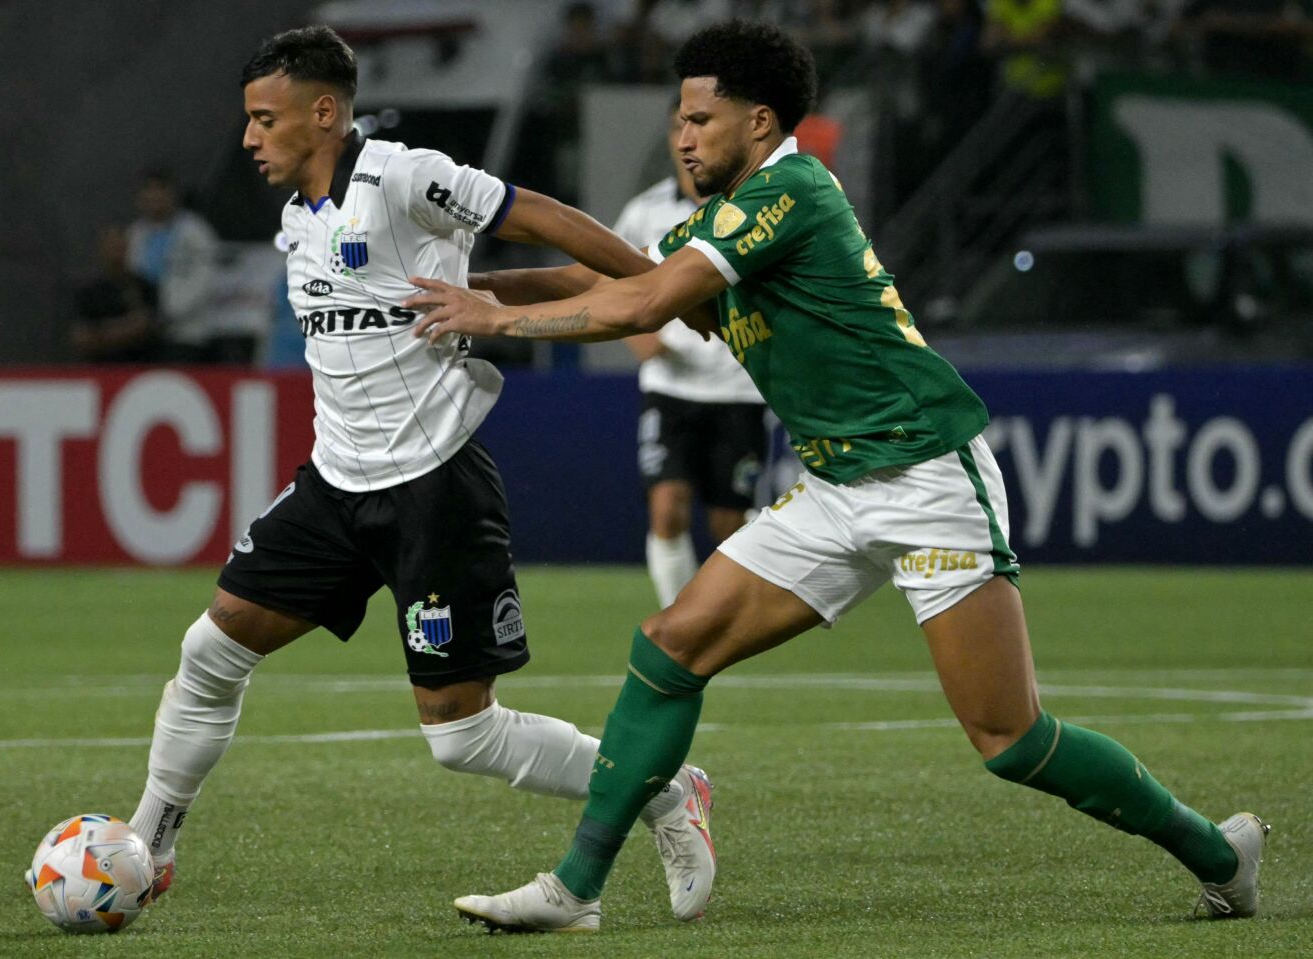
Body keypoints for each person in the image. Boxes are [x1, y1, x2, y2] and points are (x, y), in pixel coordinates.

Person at [405, 18, 1269, 932]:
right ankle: (577, 886)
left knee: (1008, 738)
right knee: (669, 649)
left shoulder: (791, 191)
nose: (684, 134)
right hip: (837, 487)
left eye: (703, 117)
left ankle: (1219, 852)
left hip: (929, 476)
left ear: (763, 122)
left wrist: (492, 320)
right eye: (679, 118)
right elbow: (629, 274)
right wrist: (484, 288)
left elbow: (645, 302)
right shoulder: (721, 222)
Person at [124, 25, 717, 924]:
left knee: (461, 735)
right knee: (211, 650)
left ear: (323, 111)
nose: (249, 138)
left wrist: (666, 288)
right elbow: (417, 292)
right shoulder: (295, 218)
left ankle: (668, 792)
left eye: (264, 117)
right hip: (334, 483)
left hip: (433, 485)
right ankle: (148, 846)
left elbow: (545, 217)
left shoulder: (405, 175)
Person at [613, 102, 766, 607]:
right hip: (670, 386)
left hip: (738, 386)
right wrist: (640, 339)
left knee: (730, 522)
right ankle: (680, 616)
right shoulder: (645, 211)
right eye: (682, 129)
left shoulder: (753, 205)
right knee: (668, 506)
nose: (689, 142)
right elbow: (613, 279)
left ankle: (728, 614)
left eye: (700, 128)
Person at [125, 169, 224, 362]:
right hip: (141, 334)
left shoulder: (196, 232)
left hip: (186, 334)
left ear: (173, 194)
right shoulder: (135, 233)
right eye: (149, 191)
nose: (155, 197)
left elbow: (201, 282)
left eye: (160, 191)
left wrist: (164, 315)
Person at [70, 225, 158, 363]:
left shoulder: (143, 286)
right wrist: (126, 330)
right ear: (101, 250)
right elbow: (82, 337)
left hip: (139, 366)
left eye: (119, 246)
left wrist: (101, 334)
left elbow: (148, 327)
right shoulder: (89, 291)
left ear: (127, 248)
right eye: (111, 247)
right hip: (100, 368)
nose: (115, 252)